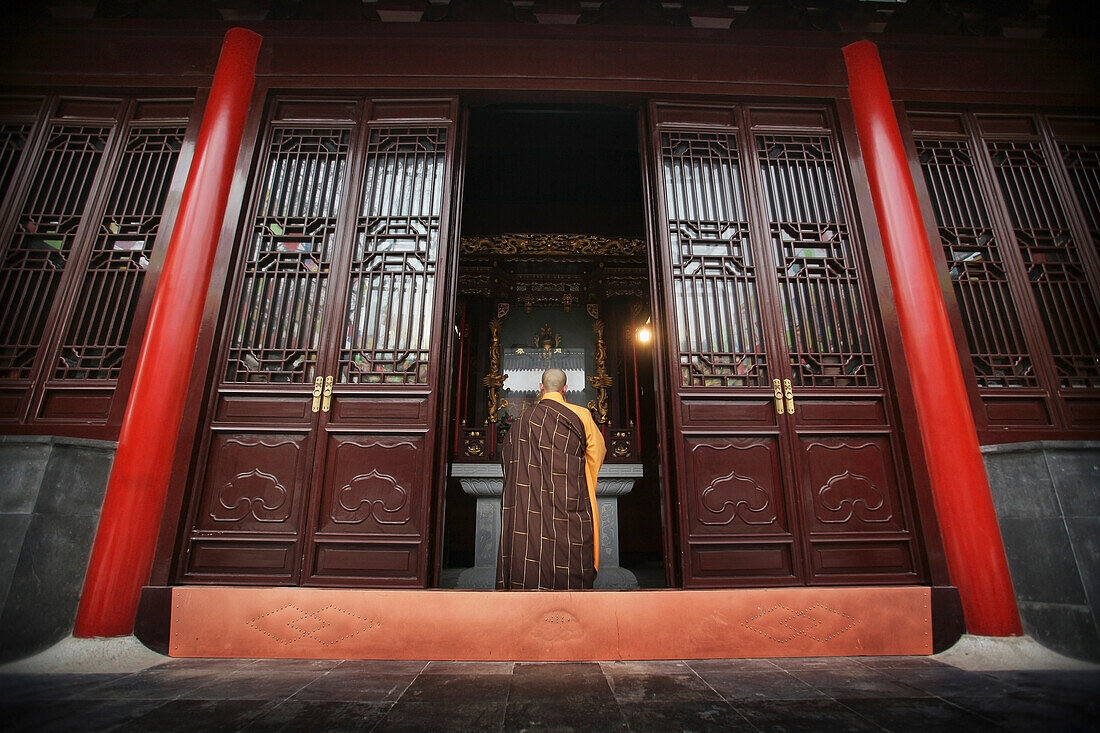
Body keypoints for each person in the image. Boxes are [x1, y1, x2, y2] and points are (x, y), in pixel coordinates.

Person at [496, 367, 606, 590]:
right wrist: (581, 481)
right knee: (570, 546)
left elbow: (508, 457)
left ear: (540, 388)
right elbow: (597, 452)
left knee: (530, 542)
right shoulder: (580, 415)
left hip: (529, 503)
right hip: (569, 498)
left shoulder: (523, 421)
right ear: (565, 389)